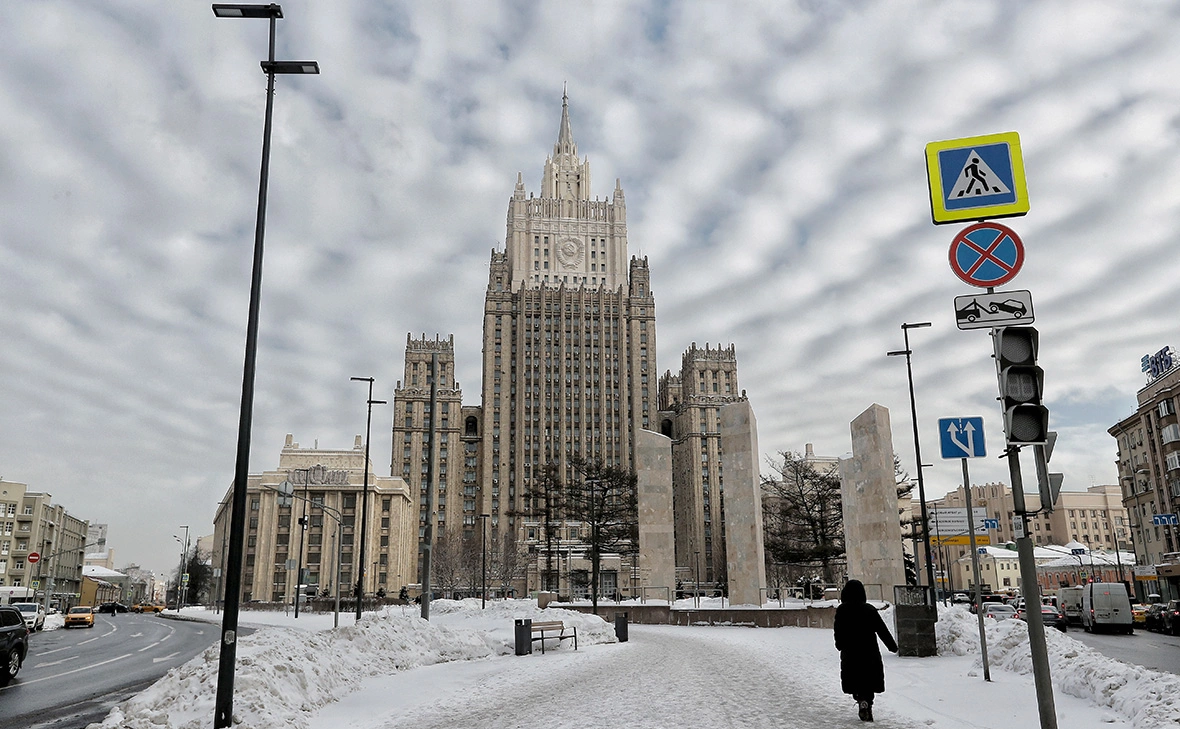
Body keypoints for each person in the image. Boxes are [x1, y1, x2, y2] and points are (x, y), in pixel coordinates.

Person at [834, 579, 898, 722]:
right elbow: (882, 630)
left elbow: (838, 630)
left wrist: (839, 644)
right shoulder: (869, 609)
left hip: (850, 653)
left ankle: (860, 699)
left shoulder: (842, 610)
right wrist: (892, 646)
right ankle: (867, 703)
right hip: (869, 652)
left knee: (855, 678)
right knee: (868, 679)